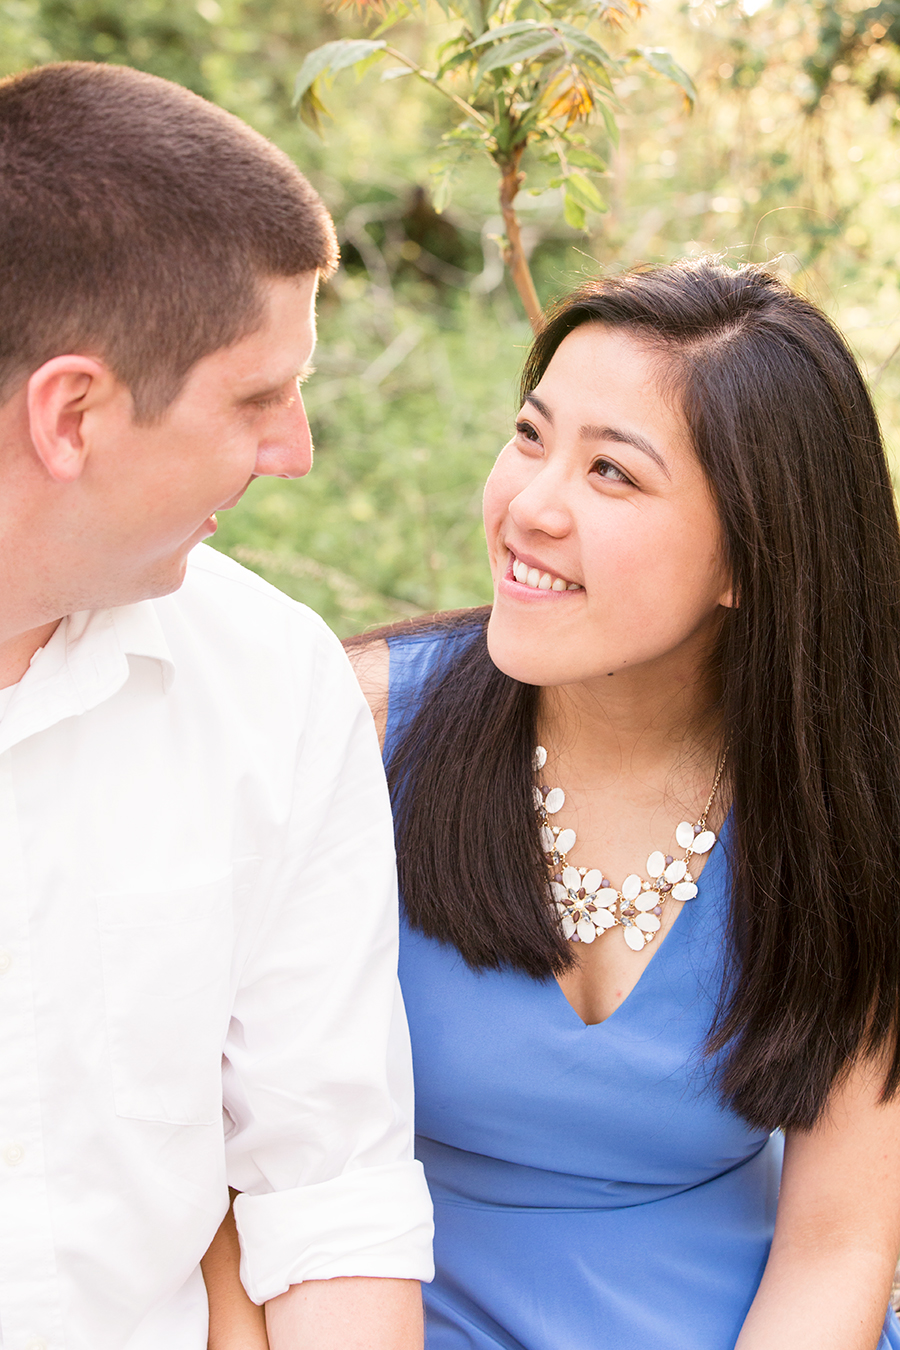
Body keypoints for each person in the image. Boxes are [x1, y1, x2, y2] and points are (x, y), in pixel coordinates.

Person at [340, 261, 900, 1349]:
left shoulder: (850, 805)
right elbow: (224, 1159)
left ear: (752, 554)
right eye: (530, 436)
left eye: (612, 474)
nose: (528, 508)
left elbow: (841, 1245)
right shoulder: (357, 731)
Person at [0, 60, 432, 1350]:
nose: (295, 450)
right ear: (72, 411)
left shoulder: (273, 684)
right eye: (257, 396)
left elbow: (329, 1192)